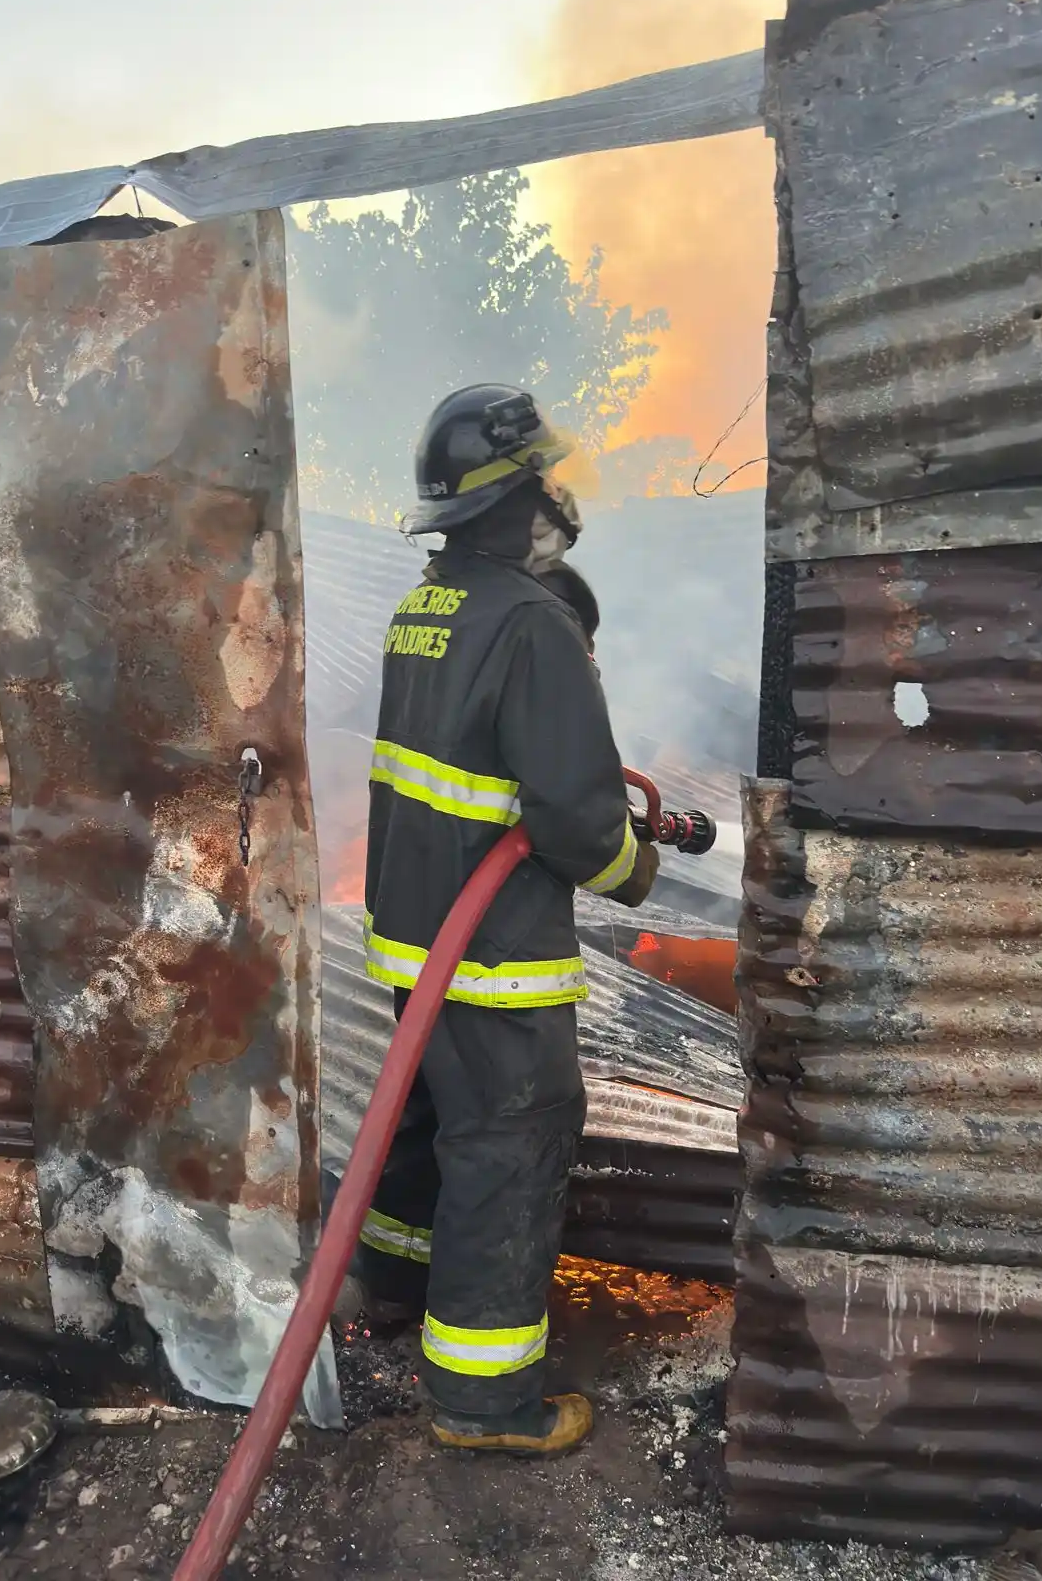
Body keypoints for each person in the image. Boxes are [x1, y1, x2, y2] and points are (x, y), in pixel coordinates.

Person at [339, 383, 658, 1458]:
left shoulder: (424, 608)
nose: (558, 497)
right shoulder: (533, 621)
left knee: (430, 1118)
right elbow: (575, 820)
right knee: (511, 1144)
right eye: (545, 478)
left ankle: (390, 1282)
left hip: (414, 938)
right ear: (515, 496)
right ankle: (482, 1399)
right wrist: (636, 867)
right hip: (494, 959)